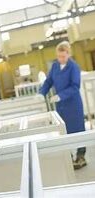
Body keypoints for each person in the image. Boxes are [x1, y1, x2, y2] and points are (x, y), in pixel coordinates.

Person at [39, 41, 86, 170]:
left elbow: (75, 86)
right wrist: (41, 93)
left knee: (78, 130)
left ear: (68, 54)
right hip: (61, 106)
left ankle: (81, 156)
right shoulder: (55, 66)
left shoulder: (74, 67)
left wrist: (60, 96)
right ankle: (68, 156)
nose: (61, 59)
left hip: (73, 103)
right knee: (63, 130)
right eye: (59, 56)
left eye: (63, 56)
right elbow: (48, 81)